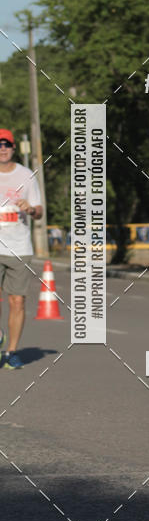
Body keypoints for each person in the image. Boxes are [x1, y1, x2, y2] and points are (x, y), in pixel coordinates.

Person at [0, 129, 43, 369]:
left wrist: (31, 209)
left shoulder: (26, 175)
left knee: (17, 301)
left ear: (13, 148)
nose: (2, 148)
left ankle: (11, 352)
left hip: (19, 246)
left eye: (6, 144)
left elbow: (39, 211)